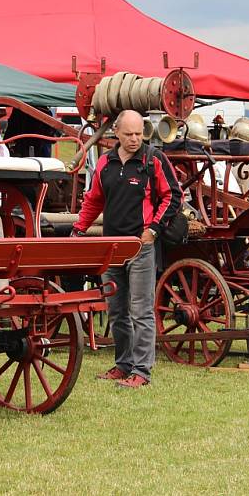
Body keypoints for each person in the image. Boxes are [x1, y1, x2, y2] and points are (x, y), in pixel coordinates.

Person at [72, 110, 182, 388]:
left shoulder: (153, 159)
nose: (134, 139)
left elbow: (173, 195)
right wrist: (78, 229)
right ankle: (123, 365)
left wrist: (153, 230)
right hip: (112, 247)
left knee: (141, 310)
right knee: (117, 310)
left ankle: (142, 371)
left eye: (138, 134)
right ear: (116, 134)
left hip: (140, 246)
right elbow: (94, 200)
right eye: (129, 134)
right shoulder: (106, 163)